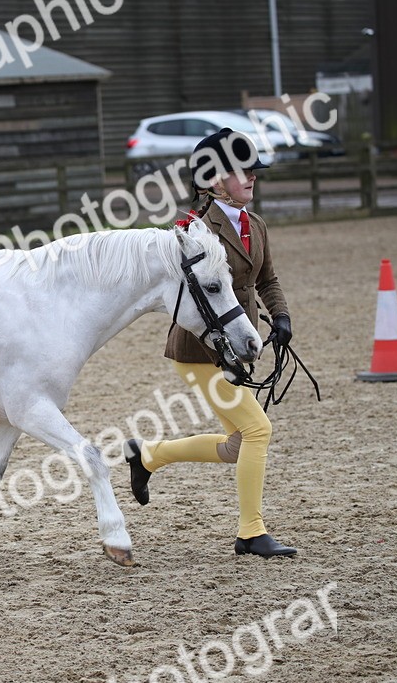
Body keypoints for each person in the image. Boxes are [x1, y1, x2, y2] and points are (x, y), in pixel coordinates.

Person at [125, 128, 297, 558]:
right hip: (200, 352)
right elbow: (195, 300)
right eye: (242, 171)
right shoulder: (194, 230)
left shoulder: (255, 225)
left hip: (235, 347)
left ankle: (148, 456)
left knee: (237, 444)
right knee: (258, 430)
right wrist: (227, 356)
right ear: (214, 180)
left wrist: (280, 316)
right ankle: (251, 532)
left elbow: (267, 279)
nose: (253, 176)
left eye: (254, 170)